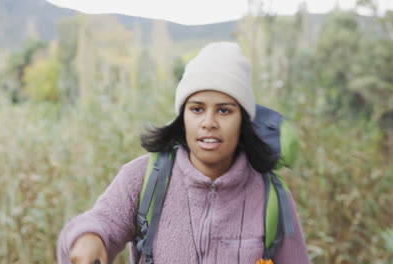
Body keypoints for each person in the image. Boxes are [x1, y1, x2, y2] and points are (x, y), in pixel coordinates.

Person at [57, 42, 310, 264]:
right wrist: (87, 237)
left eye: (224, 111)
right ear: (183, 117)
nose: (208, 122)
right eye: (197, 109)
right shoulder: (143, 178)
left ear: (243, 120)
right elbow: (101, 223)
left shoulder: (271, 196)